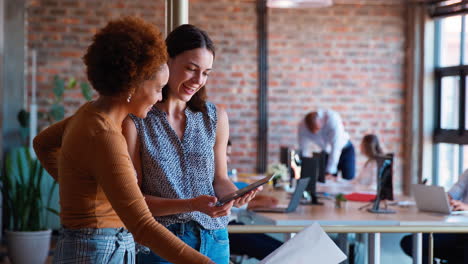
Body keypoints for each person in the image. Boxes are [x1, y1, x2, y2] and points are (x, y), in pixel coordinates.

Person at [33, 17, 213, 264]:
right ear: (134, 83)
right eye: (158, 88)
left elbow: (42, 143)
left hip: (94, 244)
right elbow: (143, 226)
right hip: (97, 250)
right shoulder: (105, 135)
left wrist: (85, 188)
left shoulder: (90, 113)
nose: (160, 96)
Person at [123, 24, 259, 264]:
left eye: (206, 72)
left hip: (214, 239)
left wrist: (235, 196)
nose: (198, 80)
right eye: (191, 69)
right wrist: (191, 205)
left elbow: (220, 180)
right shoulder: (137, 120)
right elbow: (136, 201)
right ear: (167, 62)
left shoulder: (215, 116)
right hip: (161, 242)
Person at [400, 169, 468, 263]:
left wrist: (466, 207)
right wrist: (444, 199)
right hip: (458, 230)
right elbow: (453, 194)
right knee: (411, 243)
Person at [298, 109, 356, 180]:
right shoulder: (303, 126)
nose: (316, 133)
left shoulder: (333, 119)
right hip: (327, 152)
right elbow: (304, 149)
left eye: (317, 128)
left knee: (348, 178)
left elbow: (336, 147)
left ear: (321, 121)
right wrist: (304, 169)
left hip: (345, 150)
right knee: (325, 180)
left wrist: (330, 171)